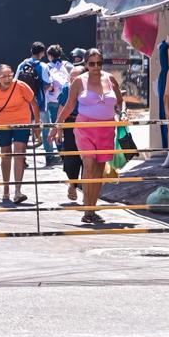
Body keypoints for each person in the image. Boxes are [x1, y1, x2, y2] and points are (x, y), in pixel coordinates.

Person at [53, 48, 126, 225]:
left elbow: (120, 101)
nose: (96, 67)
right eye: (92, 63)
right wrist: (57, 126)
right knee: (89, 164)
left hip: (106, 128)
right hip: (85, 128)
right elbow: (69, 106)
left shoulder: (110, 78)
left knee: (99, 170)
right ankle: (87, 209)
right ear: (86, 64)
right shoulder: (79, 81)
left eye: (99, 63)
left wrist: (123, 113)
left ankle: (92, 210)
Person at [0, 64, 38, 205]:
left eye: (10, 75)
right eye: (3, 76)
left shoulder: (21, 86)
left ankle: (18, 191)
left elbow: (33, 103)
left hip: (22, 122)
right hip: (3, 124)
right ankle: (6, 187)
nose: (7, 79)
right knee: (5, 154)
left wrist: (37, 124)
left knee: (19, 153)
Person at [60, 49, 89, 200]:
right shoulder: (66, 88)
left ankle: (86, 192)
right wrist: (58, 128)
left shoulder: (91, 88)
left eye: (75, 78)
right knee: (71, 157)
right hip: (70, 123)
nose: (72, 80)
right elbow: (62, 107)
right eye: (70, 77)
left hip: (87, 124)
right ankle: (73, 183)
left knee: (87, 158)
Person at [39, 45, 72, 165]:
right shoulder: (68, 65)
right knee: (63, 125)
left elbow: (47, 85)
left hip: (51, 100)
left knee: (51, 126)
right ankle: (65, 152)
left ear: (49, 55)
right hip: (66, 99)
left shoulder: (46, 67)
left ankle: (54, 154)